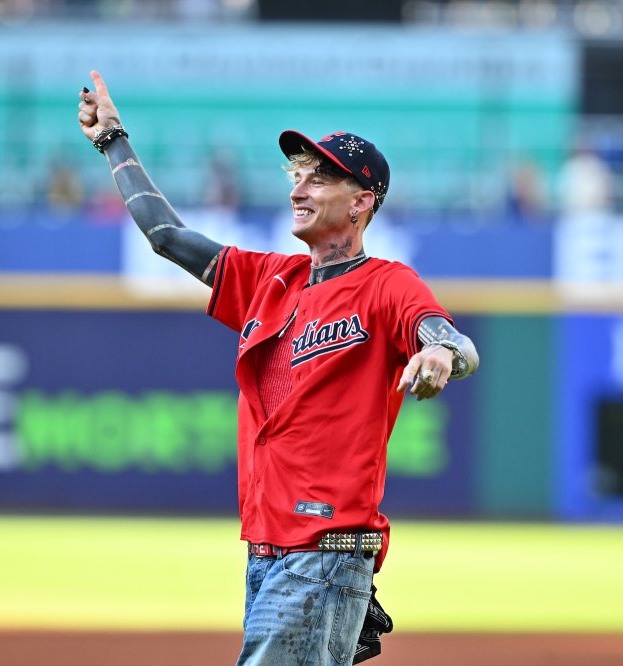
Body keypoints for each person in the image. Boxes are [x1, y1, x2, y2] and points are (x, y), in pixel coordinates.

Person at [77, 70, 479, 665]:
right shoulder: (271, 280)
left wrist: (441, 353)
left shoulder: (387, 284)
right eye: (298, 174)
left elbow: (453, 340)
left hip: (324, 549)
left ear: (362, 203)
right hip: (267, 551)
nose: (300, 186)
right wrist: (113, 140)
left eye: (321, 177)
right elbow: (166, 236)